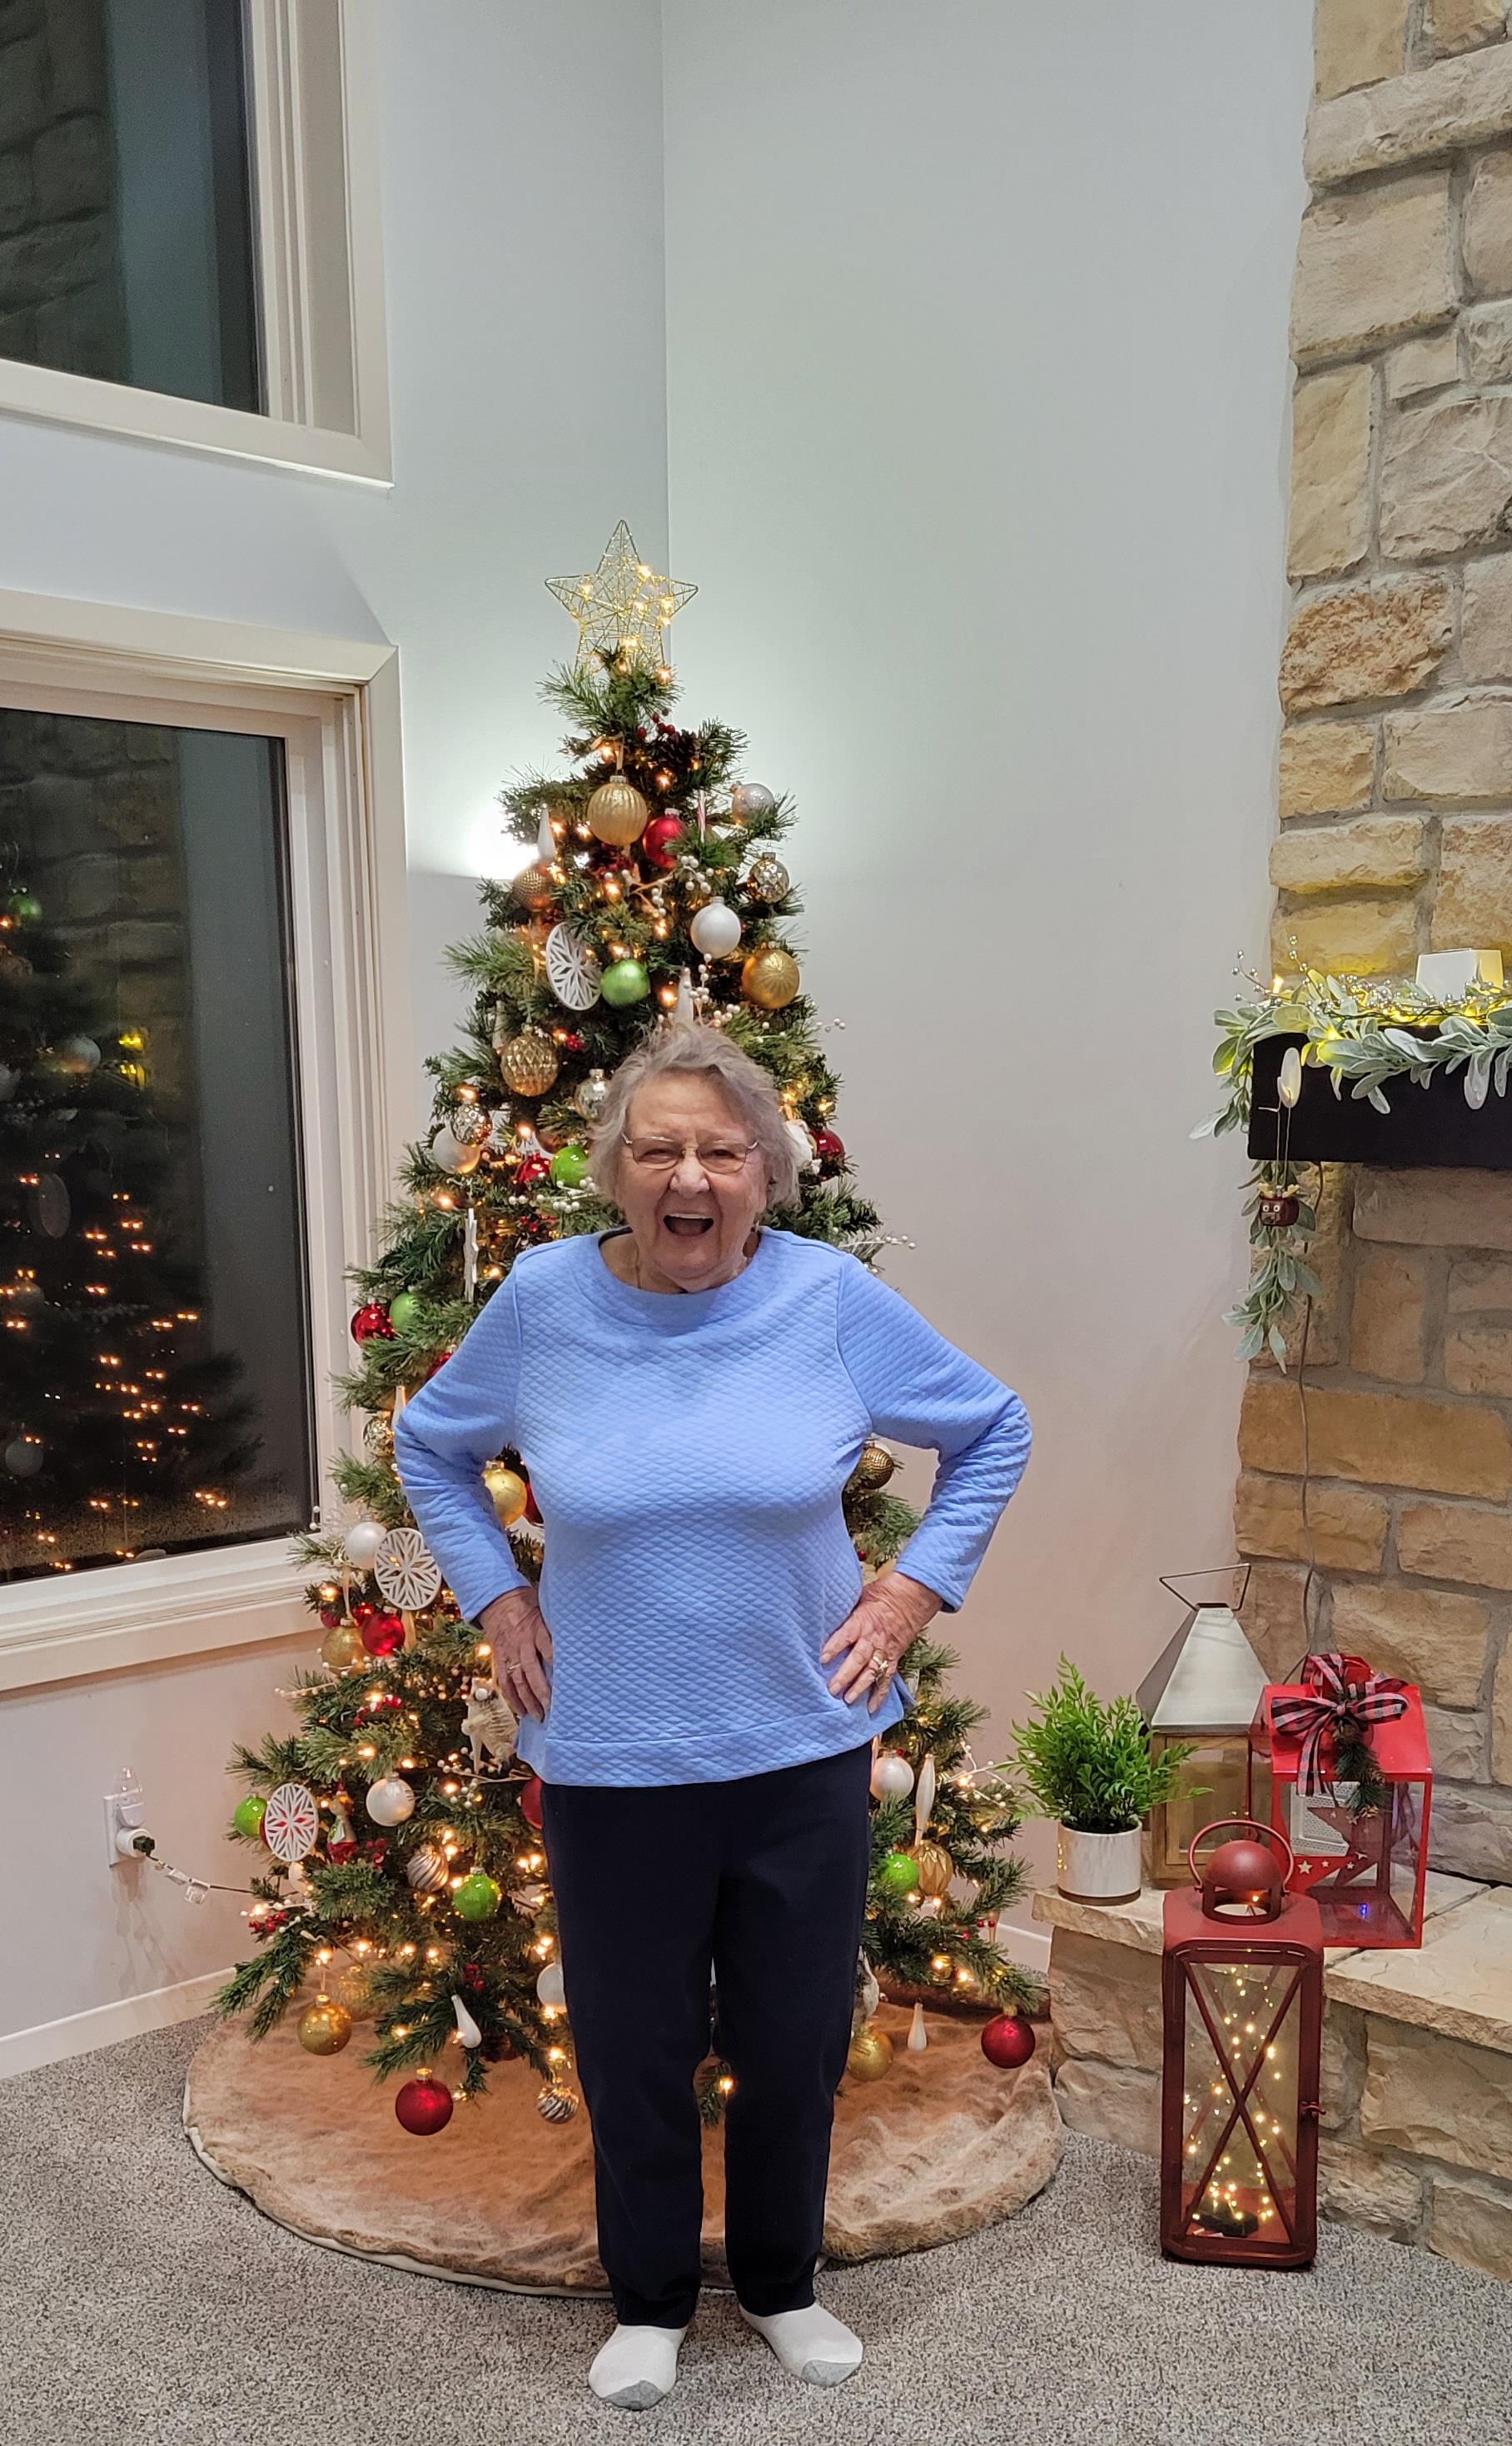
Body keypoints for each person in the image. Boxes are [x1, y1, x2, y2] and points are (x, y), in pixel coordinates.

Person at [393, 1022, 1031, 2409]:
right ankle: (651, 2299)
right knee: (631, 2042)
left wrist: (913, 1592)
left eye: (722, 1151)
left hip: (803, 1743)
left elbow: (993, 1429)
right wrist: (499, 1599)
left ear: (767, 1173)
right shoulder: (545, 1301)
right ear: (617, 1172)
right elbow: (431, 1448)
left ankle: (785, 2282)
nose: (692, 1175)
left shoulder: (827, 1299)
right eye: (660, 1147)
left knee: (794, 2035)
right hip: (615, 1752)